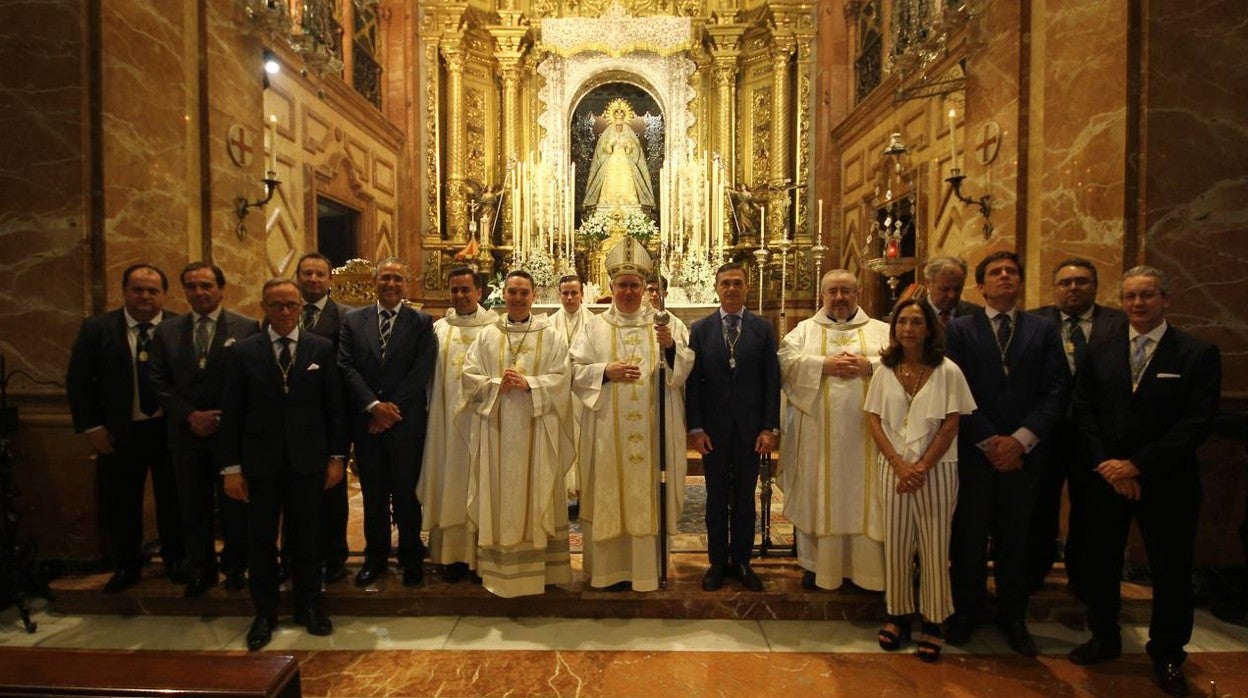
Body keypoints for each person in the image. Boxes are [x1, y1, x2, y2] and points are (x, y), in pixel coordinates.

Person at [1069, 266, 1221, 698]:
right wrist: (1109, 466)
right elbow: (1083, 410)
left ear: (1166, 300)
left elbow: (1197, 423)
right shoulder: (1100, 348)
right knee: (1100, 561)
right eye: (1131, 296)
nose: (1138, 303)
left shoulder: (1196, 352)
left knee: (1171, 569)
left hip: (1167, 482)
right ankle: (1104, 636)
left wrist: (1136, 465)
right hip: (1106, 479)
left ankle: (1169, 652)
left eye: (1148, 295)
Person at [942, 251, 1069, 655]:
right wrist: (990, 440)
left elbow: (1056, 389)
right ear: (980, 287)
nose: (1004, 278)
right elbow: (953, 389)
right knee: (969, 537)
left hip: (1024, 454)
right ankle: (968, 611)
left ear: (1020, 281)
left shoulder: (1043, 329)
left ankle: (1014, 617)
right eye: (995, 273)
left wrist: (1021, 439)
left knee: (1018, 538)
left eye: (1011, 272)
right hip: (976, 451)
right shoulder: (960, 329)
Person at [218, 279, 346, 651]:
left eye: (292, 305)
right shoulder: (244, 352)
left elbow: (334, 410)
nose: (286, 312)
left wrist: (337, 458)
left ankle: (310, 604)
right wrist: (231, 469)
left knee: (307, 536)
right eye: (278, 305)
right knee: (260, 540)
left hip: (308, 461)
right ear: (264, 307)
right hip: (260, 463)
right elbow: (233, 413)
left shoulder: (320, 348)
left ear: (301, 308)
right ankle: (265, 611)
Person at [571, 240, 693, 592]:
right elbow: (574, 371)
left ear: (646, 288)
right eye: (622, 285)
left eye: (634, 285)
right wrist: (604, 371)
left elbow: (682, 370)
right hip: (606, 431)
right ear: (610, 288)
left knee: (648, 493)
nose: (628, 291)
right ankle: (607, 571)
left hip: (653, 429)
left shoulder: (663, 324)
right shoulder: (592, 327)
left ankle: (646, 571)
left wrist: (670, 347)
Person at [864, 298, 976, 662]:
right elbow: (874, 419)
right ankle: (897, 616)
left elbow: (951, 423)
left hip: (937, 469)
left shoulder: (948, 371)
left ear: (929, 328)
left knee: (934, 546)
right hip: (894, 468)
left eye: (916, 322)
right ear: (894, 329)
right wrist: (898, 463)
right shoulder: (885, 369)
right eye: (902, 322)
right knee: (896, 545)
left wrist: (922, 465)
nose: (908, 329)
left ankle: (933, 620)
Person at [66, 263, 185, 592]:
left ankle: (176, 559)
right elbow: (79, 382)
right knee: (120, 501)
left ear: (163, 294)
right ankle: (125, 565)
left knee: (173, 498)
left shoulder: (179, 327)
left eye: (153, 290)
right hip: (118, 431)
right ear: (124, 291)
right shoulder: (97, 329)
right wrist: (92, 427)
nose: (145, 296)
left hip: (168, 429)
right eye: (138, 289)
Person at [461, 270, 575, 598]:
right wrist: (497, 384)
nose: (518, 298)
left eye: (524, 293)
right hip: (496, 429)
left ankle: (544, 570)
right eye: (512, 292)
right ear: (503, 293)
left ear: (534, 296)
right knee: (498, 492)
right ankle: (495, 568)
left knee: (538, 487)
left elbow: (562, 376)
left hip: (536, 430)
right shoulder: (488, 334)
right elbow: (469, 377)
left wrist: (530, 384)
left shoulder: (550, 335)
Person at [149, 262, 259, 598]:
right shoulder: (166, 332)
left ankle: (236, 566)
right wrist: (190, 415)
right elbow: (156, 381)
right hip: (186, 435)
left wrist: (224, 417)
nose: (199, 292)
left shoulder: (246, 327)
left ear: (221, 288)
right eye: (192, 286)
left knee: (235, 506)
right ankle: (201, 569)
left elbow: (253, 381)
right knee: (191, 506)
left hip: (231, 434)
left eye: (206, 285)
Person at [777, 269, 890, 592]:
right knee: (819, 492)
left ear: (858, 295)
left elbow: (901, 365)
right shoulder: (804, 332)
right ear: (822, 296)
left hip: (869, 438)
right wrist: (821, 366)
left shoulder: (882, 332)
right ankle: (818, 567)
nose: (839, 298)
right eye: (832, 292)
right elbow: (785, 363)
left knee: (866, 496)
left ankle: (867, 570)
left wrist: (870, 366)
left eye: (846, 291)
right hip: (818, 438)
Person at [1026, 258, 1127, 595]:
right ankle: (1035, 570)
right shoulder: (1035, 322)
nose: (1073, 288)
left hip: (1095, 434)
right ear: (1055, 288)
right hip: (1045, 431)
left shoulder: (1119, 323)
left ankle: (1084, 577)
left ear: (1095, 286)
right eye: (1066, 282)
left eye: (1081, 282)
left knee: (1091, 505)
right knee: (1041, 502)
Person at [337, 257, 438, 587]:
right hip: (367, 424)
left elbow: (421, 370)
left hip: (405, 424)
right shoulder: (353, 321)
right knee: (373, 494)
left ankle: (411, 557)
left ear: (405, 284)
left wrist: (390, 410)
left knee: (407, 495)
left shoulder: (421, 322)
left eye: (397, 278)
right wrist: (372, 405)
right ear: (375, 281)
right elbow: (346, 366)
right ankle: (375, 556)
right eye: (385, 278)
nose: (391, 284)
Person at [686, 262, 781, 592]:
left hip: (750, 432)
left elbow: (772, 380)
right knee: (714, 498)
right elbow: (694, 384)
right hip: (712, 432)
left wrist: (770, 428)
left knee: (744, 498)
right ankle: (716, 562)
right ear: (716, 287)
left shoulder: (762, 328)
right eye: (725, 283)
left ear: (747, 287)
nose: (731, 288)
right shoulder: (700, 329)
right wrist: (696, 428)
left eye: (737, 283)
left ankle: (742, 561)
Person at [417, 267, 495, 584]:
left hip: (483, 424)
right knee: (448, 482)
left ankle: (482, 555)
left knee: (482, 483)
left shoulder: (495, 330)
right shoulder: (438, 330)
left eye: (466, 289)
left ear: (480, 292)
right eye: (455, 290)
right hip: (445, 424)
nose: (460, 295)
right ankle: (449, 556)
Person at [291, 252, 353, 584]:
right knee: (293, 491)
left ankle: (335, 556)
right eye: (307, 273)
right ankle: (295, 555)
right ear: (298, 276)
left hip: (330, 415)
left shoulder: (346, 317)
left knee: (332, 490)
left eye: (319, 274)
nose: (313, 279)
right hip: (290, 420)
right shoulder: (284, 313)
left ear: (330, 279)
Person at [550, 274, 588, 515]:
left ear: (582, 295)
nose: (570, 297)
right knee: (560, 438)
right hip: (560, 391)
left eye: (574, 293)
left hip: (584, 393)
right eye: (565, 293)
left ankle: (585, 493)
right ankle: (560, 494)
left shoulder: (595, 322)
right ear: (559, 294)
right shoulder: (549, 324)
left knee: (584, 440)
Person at [582, 99, 655, 210]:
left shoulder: (629, 131)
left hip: (625, 160)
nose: (619, 115)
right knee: (610, 179)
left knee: (627, 179)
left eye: (621, 112)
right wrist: (610, 144)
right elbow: (603, 148)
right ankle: (608, 201)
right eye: (617, 112)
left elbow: (635, 149)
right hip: (612, 160)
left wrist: (627, 145)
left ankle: (629, 201)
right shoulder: (608, 131)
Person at [923, 256, 981, 326]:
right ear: (928, 283)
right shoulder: (912, 314)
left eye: (957, 289)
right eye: (945, 289)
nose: (951, 296)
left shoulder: (976, 314)